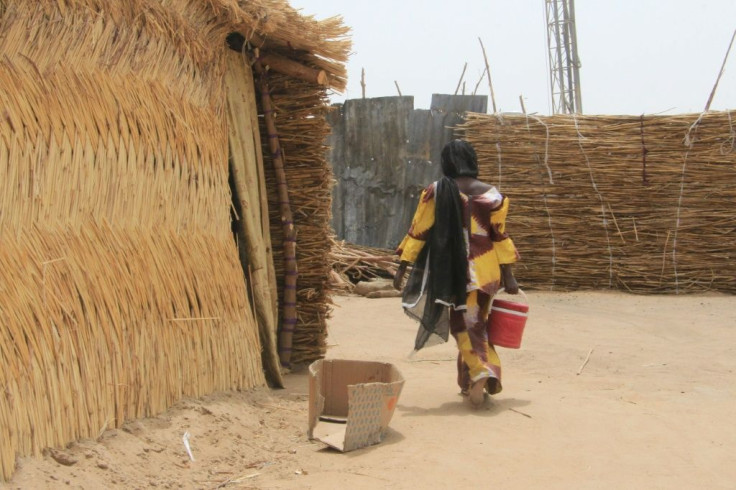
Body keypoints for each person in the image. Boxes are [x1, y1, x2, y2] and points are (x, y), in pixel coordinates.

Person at [393, 139, 520, 408]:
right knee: (476, 324)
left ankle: (483, 372)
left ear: (447, 162)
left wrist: (403, 265)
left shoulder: (437, 191)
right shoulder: (494, 196)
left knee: (463, 326)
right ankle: (469, 384)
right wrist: (509, 276)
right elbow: (500, 236)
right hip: (487, 271)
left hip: (454, 271)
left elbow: (419, 230)